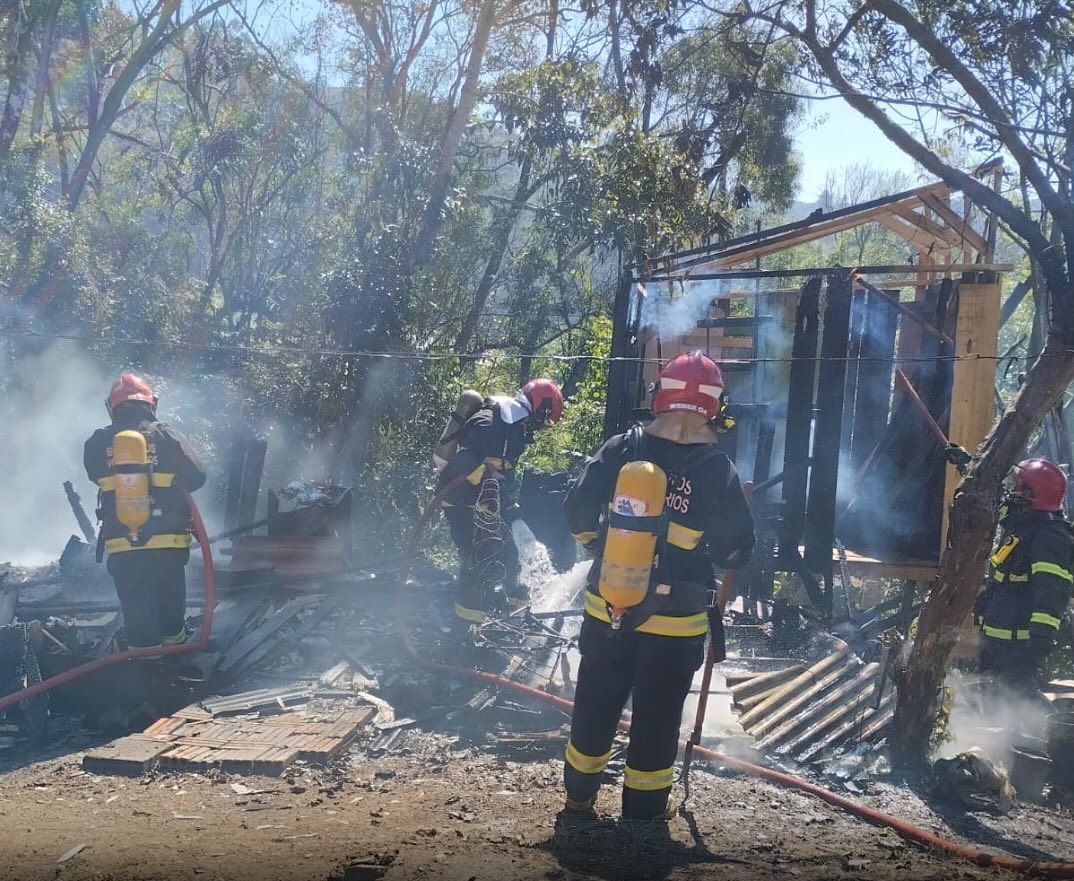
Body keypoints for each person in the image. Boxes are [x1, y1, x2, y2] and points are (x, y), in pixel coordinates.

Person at [561, 351, 754, 822]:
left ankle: (579, 800)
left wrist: (602, 550)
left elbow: (577, 512)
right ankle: (643, 815)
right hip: (675, 623)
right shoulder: (718, 470)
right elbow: (736, 551)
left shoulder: (622, 448)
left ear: (660, 395)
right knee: (658, 717)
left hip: (609, 606)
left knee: (594, 705)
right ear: (715, 404)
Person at [84, 373, 206, 651]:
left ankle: (144, 667)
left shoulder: (97, 442)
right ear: (151, 404)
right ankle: (174, 664)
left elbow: (95, 475)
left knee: (139, 621)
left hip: (123, 545)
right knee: (171, 620)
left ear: (112, 407)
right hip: (168, 545)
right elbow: (198, 476)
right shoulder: (166, 435)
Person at [436, 378, 564, 625]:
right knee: (477, 560)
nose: (542, 427)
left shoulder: (511, 424)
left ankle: (518, 614)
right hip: (461, 501)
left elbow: (500, 471)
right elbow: (471, 466)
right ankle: (466, 626)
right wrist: (502, 499)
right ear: (541, 409)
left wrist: (507, 504)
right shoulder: (495, 424)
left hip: (482, 501)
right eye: (545, 420)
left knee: (511, 552)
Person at [973, 458, 1074, 703]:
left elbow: (1053, 591)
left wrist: (1041, 637)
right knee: (994, 698)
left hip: (1018, 643)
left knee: (1021, 695)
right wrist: (967, 463)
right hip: (996, 637)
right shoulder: (1023, 522)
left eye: (1017, 487)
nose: (1012, 492)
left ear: (1030, 494)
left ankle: (1051, 726)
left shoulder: (1050, 537)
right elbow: (997, 498)